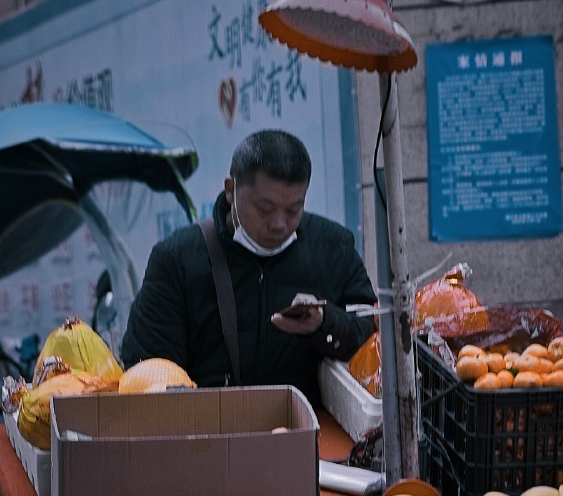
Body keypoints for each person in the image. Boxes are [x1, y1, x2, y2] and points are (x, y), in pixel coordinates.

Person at [121, 130, 376, 407]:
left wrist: (324, 324)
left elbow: (370, 331)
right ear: (231, 190)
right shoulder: (176, 260)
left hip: (310, 434)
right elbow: (146, 370)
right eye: (264, 208)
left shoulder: (332, 245)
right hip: (207, 435)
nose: (279, 224)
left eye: (294, 209)